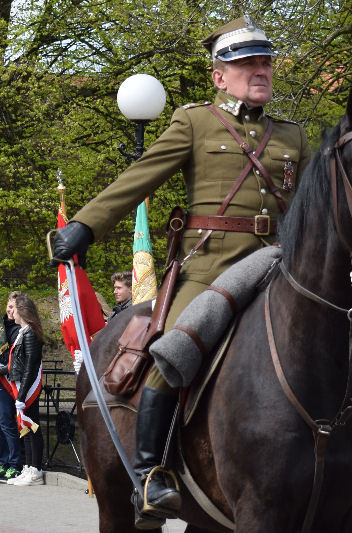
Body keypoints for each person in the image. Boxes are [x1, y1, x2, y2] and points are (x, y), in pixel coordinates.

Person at [48, 15, 312, 527]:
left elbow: (312, 209)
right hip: (210, 267)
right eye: (246, 63)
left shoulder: (293, 137)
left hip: (280, 267)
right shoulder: (196, 122)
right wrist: (85, 226)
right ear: (219, 76)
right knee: (176, 343)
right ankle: (150, 471)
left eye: (265, 62)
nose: (260, 70)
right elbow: (139, 177)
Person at [1, 295, 45, 486]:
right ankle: (29, 467)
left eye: (15, 308)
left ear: (23, 311)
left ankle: (36, 469)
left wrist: (22, 393)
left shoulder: (30, 333)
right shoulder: (23, 332)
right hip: (21, 387)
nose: (12, 312)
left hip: (28, 388)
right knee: (25, 428)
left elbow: (30, 366)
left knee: (32, 427)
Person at [0, 292, 23, 482]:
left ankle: (14, 464)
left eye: (14, 307)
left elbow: (17, 359)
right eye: (9, 306)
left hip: (8, 381)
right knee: (1, 425)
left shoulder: (20, 329)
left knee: (8, 424)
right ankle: (3, 462)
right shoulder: (2, 326)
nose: (10, 310)